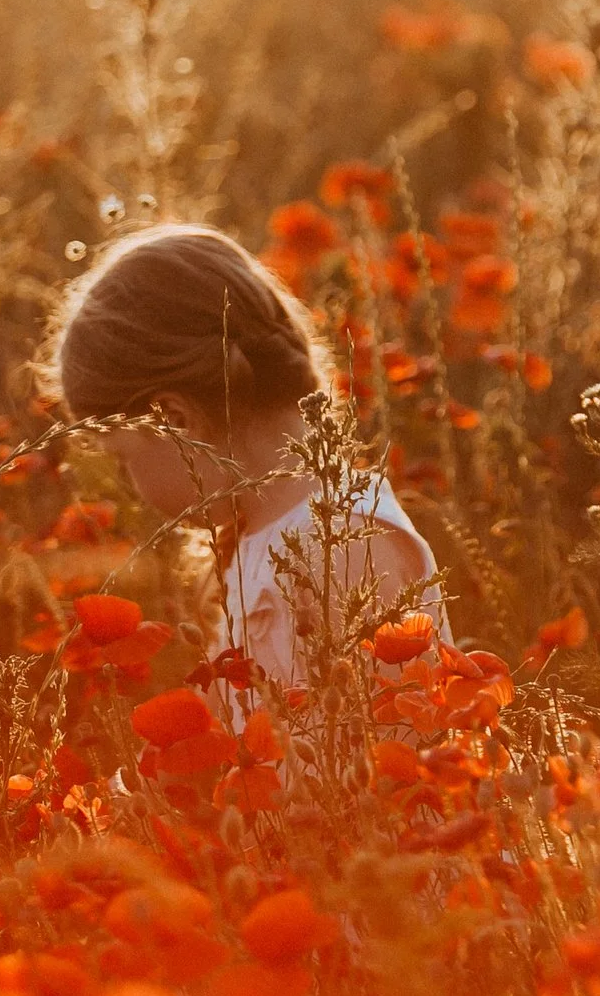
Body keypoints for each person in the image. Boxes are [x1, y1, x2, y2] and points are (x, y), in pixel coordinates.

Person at [41, 222, 443, 689]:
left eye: (122, 458)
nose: (128, 483)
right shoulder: (259, 540)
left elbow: (384, 746)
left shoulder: (346, 547)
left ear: (173, 419)